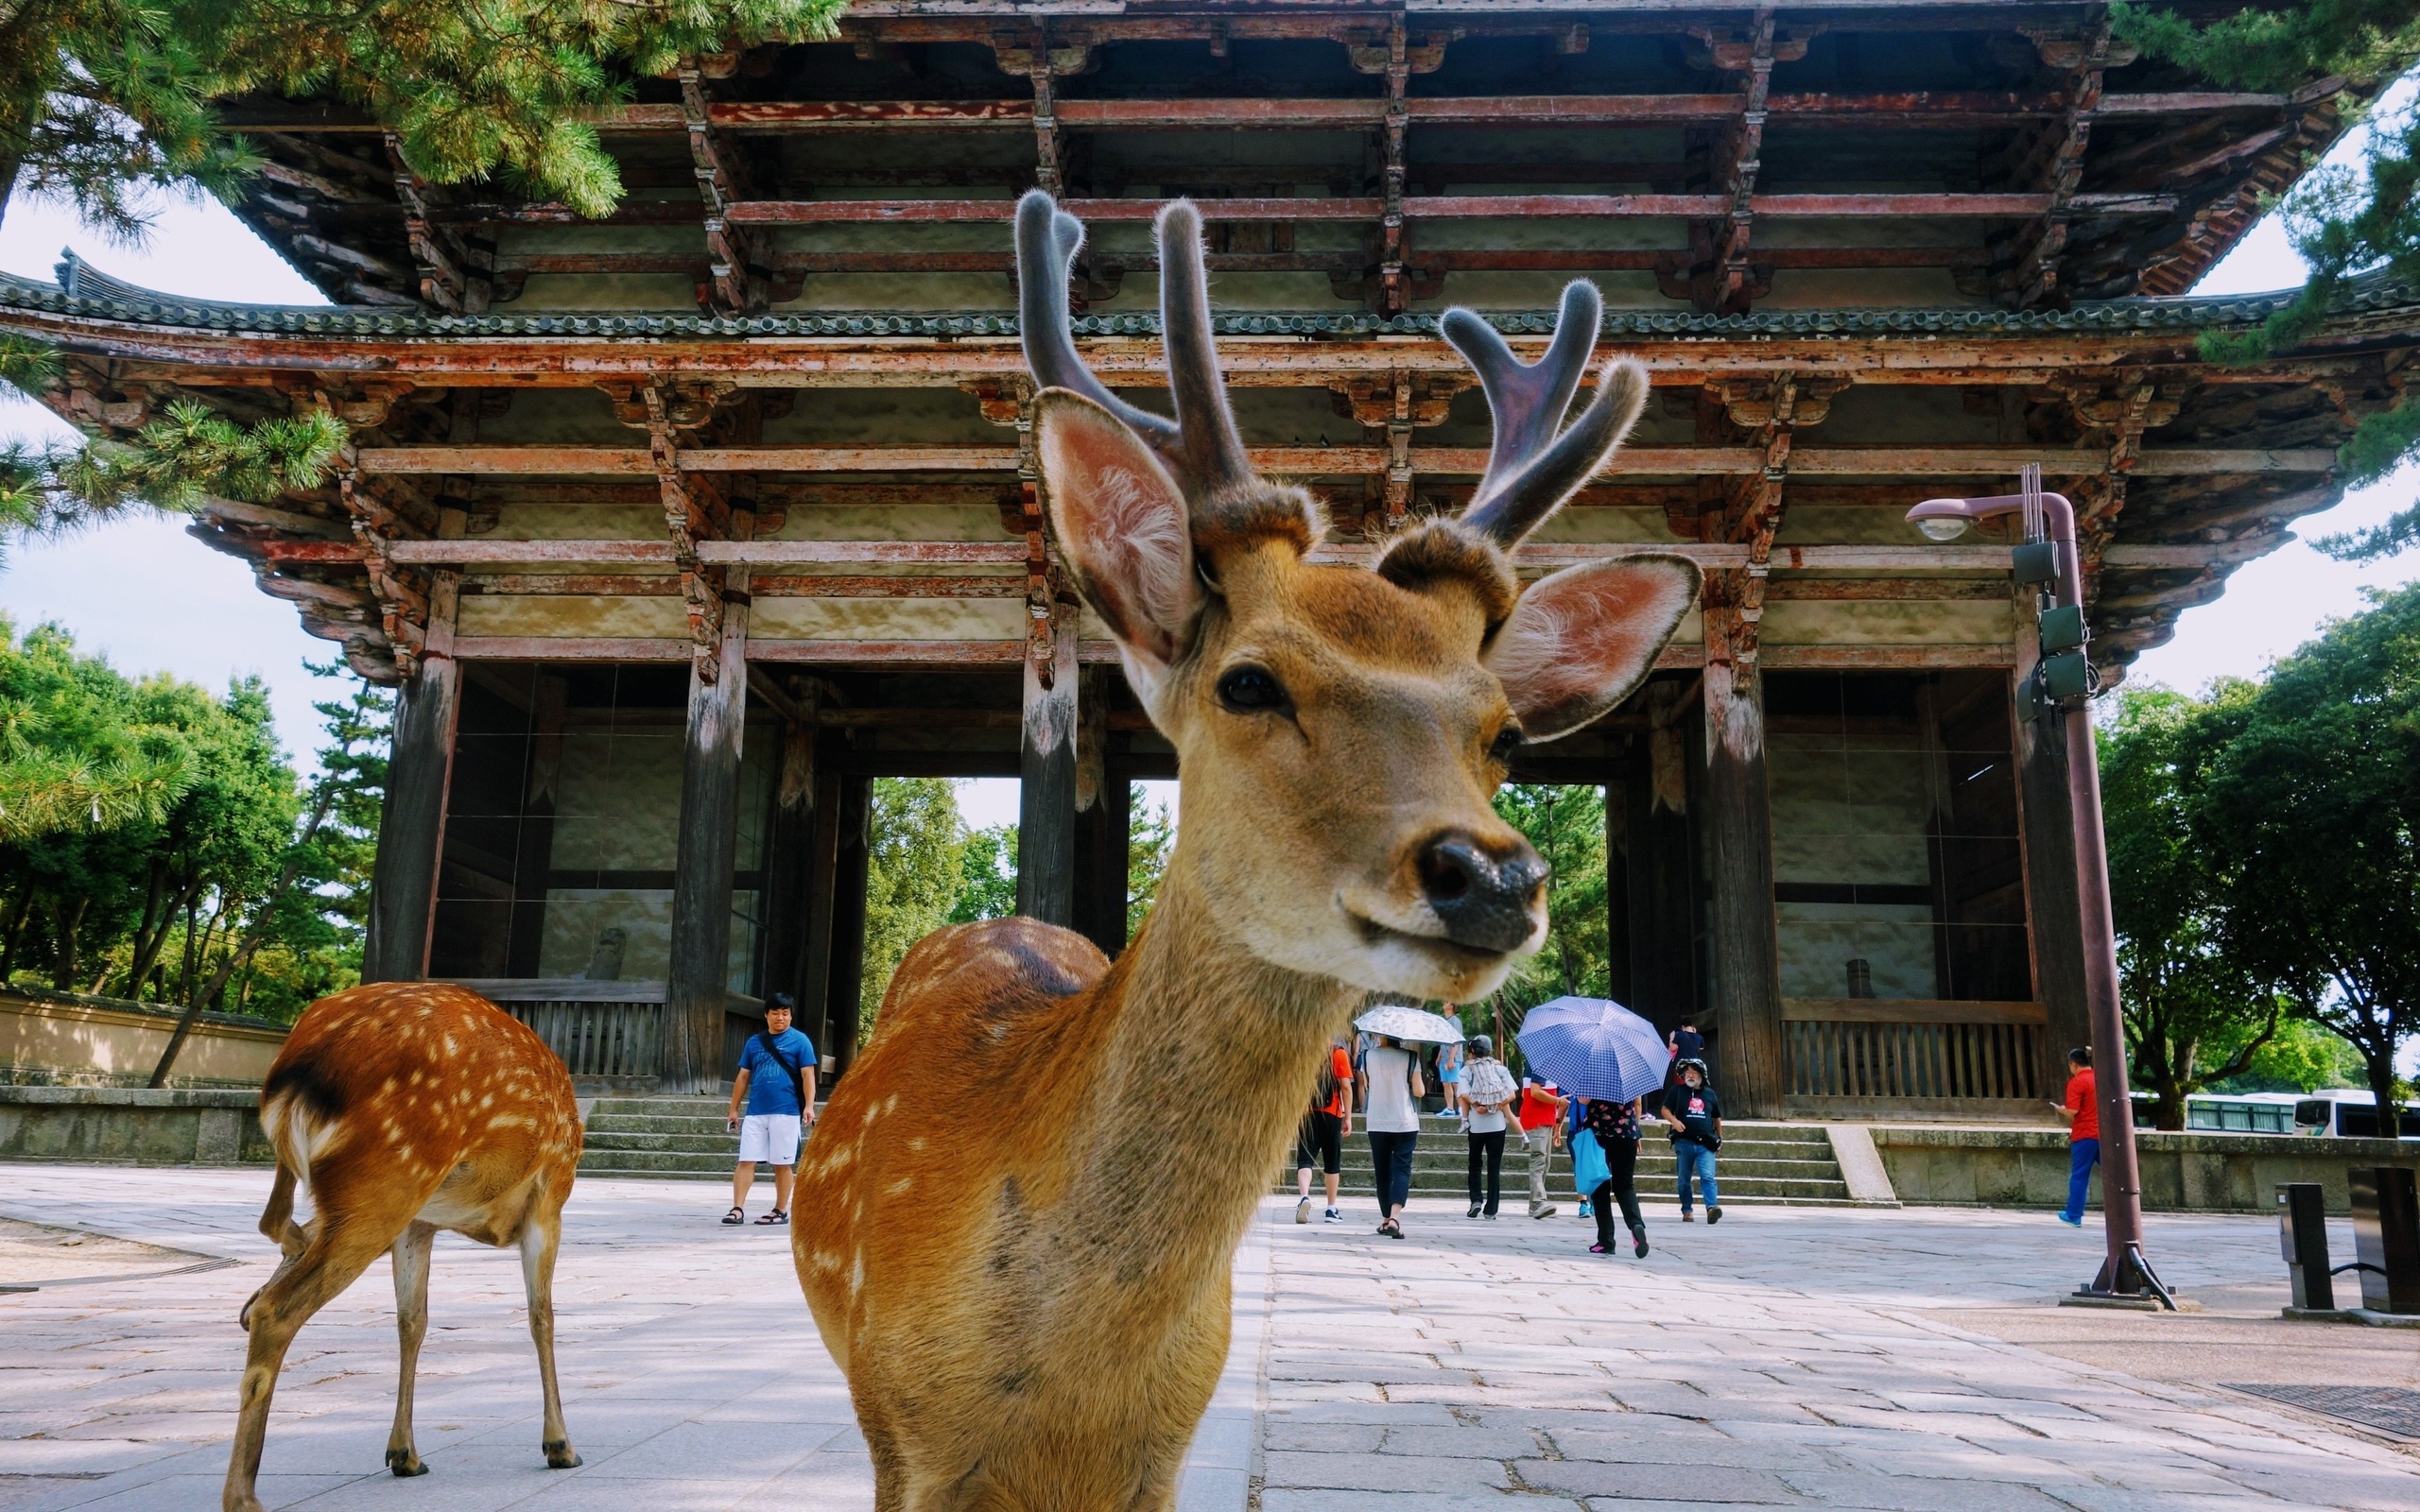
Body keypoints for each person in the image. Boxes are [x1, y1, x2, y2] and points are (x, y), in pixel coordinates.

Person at [725, 994, 817, 1226]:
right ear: (766, 1015)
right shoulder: (754, 1043)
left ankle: (780, 1209)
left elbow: (808, 1075)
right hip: (756, 1111)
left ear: (791, 1016)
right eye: (775, 1013)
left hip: (786, 1111)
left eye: (785, 1013)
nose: (780, 1018)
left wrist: (808, 1106)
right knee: (746, 1160)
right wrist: (733, 1109)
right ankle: (737, 1209)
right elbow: (743, 1076)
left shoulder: (800, 1041)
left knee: (782, 1163)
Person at [1363, 1035, 1425, 1239]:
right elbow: (1419, 1091)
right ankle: (1395, 1218)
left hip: (1377, 1120)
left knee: (1382, 1171)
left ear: (1380, 1035)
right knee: (1401, 1170)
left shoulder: (1367, 1056)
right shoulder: (1410, 1057)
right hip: (1404, 1121)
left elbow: (1367, 1085)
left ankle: (1385, 1219)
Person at [1295, 1037, 1355, 1224]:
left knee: (1305, 1159)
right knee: (1332, 1162)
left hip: (1308, 1113)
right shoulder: (1338, 1053)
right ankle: (1331, 1209)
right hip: (1332, 1114)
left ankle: (1304, 1197)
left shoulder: (1305, 1052)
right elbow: (1345, 1086)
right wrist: (1348, 1117)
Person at [1581, 1095, 1649, 1257]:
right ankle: (1636, 1224)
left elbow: (1584, 1100)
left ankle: (1606, 1241)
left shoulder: (1594, 1072)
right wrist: (1635, 1128)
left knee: (1600, 1187)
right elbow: (1637, 1103)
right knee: (1625, 1185)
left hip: (1598, 1133)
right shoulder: (1630, 1072)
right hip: (1627, 1132)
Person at [1459, 1036, 1518, 1218]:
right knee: (1494, 1166)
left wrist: (1478, 1104)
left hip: (1476, 1124)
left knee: (1475, 1163)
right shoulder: (1499, 1069)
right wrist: (1497, 1104)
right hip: (1497, 1125)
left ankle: (1476, 1200)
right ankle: (1491, 1209)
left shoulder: (1467, 1070)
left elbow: (1464, 1094)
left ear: (1471, 1052)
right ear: (1490, 1051)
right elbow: (1512, 1094)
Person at [1662, 1058, 1722, 1223]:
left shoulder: (1710, 1094)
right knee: (1683, 1179)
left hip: (1706, 1143)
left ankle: (1711, 1208)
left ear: (1701, 1075)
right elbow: (1665, 1109)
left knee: (1708, 1176)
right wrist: (1674, 1121)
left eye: (1694, 1073)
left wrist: (1720, 1138)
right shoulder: (1677, 1091)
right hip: (1684, 1141)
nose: (1690, 1075)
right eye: (1687, 1072)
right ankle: (1687, 1209)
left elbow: (1716, 1117)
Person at [2057, 1046, 2100, 1228]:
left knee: (2080, 1176)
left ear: (2074, 1064)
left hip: (2084, 1135)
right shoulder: (2100, 1078)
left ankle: (2074, 1215)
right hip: (2104, 1135)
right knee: (2114, 1175)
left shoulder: (2077, 1082)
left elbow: (2073, 1111)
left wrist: (2061, 1110)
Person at [1515, 1074, 1567, 1219]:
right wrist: (1558, 1101)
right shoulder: (1539, 1067)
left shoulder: (1547, 1067)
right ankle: (1538, 1202)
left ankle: (1535, 1206)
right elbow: (1535, 1091)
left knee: (1545, 1164)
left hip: (1545, 1119)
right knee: (1539, 1161)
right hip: (1536, 1119)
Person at [1437, 1039, 1466, 1127]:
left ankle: (1462, 1108)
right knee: (1445, 1083)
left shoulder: (1456, 1023)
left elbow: (1457, 1041)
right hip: (1444, 1058)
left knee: (1455, 1083)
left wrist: (1451, 1058)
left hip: (1454, 1058)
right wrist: (1439, 1056)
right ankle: (1449, 1108)